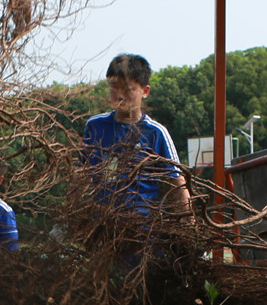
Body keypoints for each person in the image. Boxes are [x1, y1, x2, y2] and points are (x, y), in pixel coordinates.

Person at [81, 54, 191, 215]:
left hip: (144, 225)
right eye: (114, 88)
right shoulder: (95, 127)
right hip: (102, 223)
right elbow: (80, 177)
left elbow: (177, 182)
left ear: (145, 91)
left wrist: (189, 222)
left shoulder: (155, 132)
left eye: (127, 89)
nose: (119, 95)